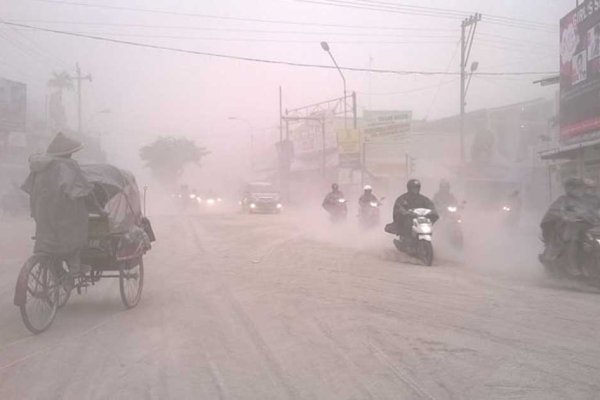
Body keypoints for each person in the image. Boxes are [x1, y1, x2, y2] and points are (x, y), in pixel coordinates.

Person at [21, 132, 103, 278]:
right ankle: (74, 270)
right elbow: (84, 191)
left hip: (42, 215)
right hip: (66, 216)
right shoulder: (68, 166)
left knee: (47, 245)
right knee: (75, 241)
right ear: (68, 154)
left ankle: (57, 271)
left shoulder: (38, 167)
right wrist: (100, 210)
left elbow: (29, 189)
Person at [540, 177, 598, 275]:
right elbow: (555, 212)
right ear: (568, 188)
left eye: (579, 187)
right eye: (574, 187)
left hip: (591, 226)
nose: (577, 189)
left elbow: (596, 209)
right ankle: (572, 266)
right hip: (570, 228)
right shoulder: (563, 200)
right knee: (573, 239)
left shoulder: (591, 199)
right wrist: (566, 217)